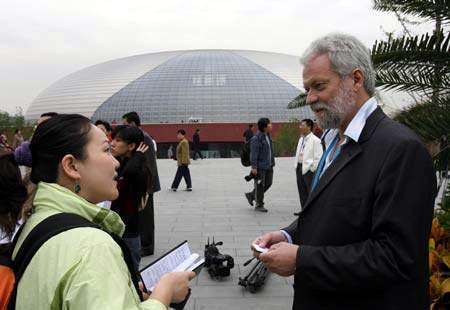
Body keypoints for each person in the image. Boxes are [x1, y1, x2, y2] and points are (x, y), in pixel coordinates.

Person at [253, 33, 436, 310]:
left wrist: (301, 259)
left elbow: (395, 256)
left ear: (356, 80)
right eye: (307, 89)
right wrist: (289, 235)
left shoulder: (401, 150)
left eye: (319, 86)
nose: (310, 99)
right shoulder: (335, 140)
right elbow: (332, 214)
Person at [4, 114, 193, 309]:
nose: (116, 162)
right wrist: (164, 293)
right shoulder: (91, 247)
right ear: (71, 166)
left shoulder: (36, 220)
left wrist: (126, 291)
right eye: (106, 150)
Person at [110, 125, 151, 271]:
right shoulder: (123, 162)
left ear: (132, 145)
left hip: (129, 231)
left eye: (118, 140)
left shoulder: (138, 168)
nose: (112, 143)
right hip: (118, 226)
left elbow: (129, 174)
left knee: (131, 273)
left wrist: (139, 155)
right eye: (113, 139)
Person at [122, 111, 160, 257]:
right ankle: (144, 244)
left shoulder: (142, 138)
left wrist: (147, 186)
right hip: (142, 183)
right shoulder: (139, 137)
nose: (124, 127)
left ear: (132, 124)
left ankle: (147, 246)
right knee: (142, 216)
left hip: (146, 184)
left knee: (146, 218)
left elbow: (148, 164)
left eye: (125, 124)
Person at [244, 118, 275, 213]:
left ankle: (251, 195)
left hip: (269, 165)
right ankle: (259, 204)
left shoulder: (268, 136)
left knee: (268, 183)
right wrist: (254, 167)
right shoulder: (256, 139)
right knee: (260, 185)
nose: (271, 125)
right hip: (260, 167)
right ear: (265, 127)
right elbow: (253, 154)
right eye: (270, 124)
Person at [293, 119, 322, 208]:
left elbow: (319, 157)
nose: (300, 127)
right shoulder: (301, 139)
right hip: (299, 167)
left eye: (302, 125)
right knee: (301, 190)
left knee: (309, 191)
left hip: (309, 169)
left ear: (309, 127)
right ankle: (303, 210)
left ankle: (311, 210)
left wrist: (312, 168)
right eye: (300, 125)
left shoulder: (316, 140)